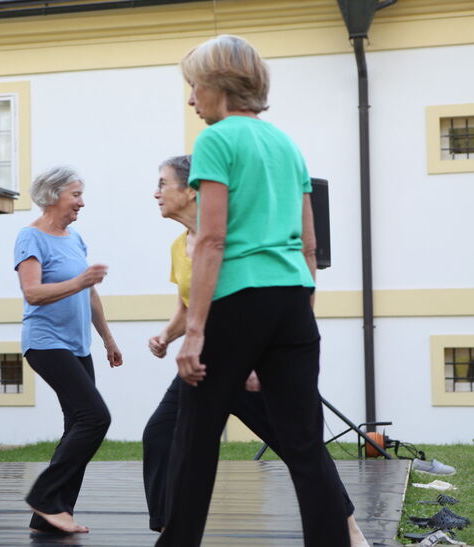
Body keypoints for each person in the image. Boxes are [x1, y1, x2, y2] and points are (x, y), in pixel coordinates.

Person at [156, 35, 351, 546]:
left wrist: (193, 332)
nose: (192, 99)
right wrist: (296, 320)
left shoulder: (216, 142)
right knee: (305, 444)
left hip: (238, 299)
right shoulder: (287, 144)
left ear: (217, 85)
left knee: (195, 440)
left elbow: (212, 238)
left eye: (194, 86)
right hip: (291, 300)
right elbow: (310, 246)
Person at [144, 156, 368, 545]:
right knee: (160, 435)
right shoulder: (179, 246)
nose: (156, 192)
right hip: (203, 364)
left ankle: (349, 531)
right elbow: (187, 304)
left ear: (190, 189)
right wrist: (167, 334)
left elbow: (256, 298)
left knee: (298, 448)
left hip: (248, 366)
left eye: (163, 183)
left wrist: (258, 358)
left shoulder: (231, 240)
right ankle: (169, 530)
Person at [14, 166, 123, 535]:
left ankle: (52, 516)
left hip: (78, 345)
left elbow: (89, 294)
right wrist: (79, 280)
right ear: (52, 195)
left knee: (76, 424)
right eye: (75, 194)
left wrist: (107, 339)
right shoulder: (30, 238)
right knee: (95, 418)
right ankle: (45, 498)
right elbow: (32, 293)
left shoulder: (74, 237)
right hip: (45, 342)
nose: (81, 202)